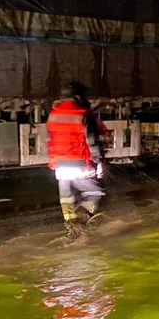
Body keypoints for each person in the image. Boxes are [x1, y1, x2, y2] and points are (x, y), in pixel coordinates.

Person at [46, 81, 108, 233]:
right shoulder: (82, 115)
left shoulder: (53, 114)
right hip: (80, 164)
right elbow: (92, 142)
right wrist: (99, 162)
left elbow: (51, 139)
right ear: (78, 96)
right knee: (95, 192)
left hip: (60, 166)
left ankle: (71, 226)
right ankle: (81, 218)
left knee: (66, 199)